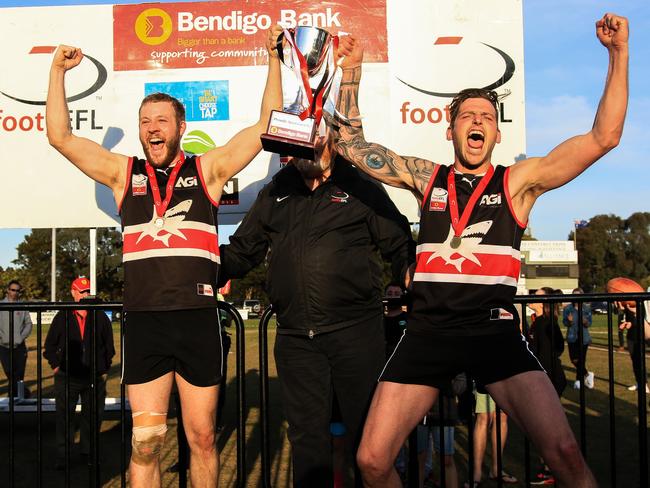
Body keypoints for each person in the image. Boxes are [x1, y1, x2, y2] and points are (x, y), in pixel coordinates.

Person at [333, 13, 628, 487]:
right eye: (467, 116)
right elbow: (350, 144)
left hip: (493, 334)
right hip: (428, 332)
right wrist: (352, 70)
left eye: (486, 117)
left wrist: (618, 54)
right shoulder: (427, 177)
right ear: (449, 130)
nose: (477, 121)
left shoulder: (518, 183)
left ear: (497, 134)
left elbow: (603, 138)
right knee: (371, 460)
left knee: (566, 454)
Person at [45, 26, 282, 487]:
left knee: (203, 439)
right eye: (145, 121)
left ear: (180, 128)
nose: (152, 128)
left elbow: (266, 126)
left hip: (197, 320)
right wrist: (57, 72)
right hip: (146, 321)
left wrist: (275, 59)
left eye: (161, 120)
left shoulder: (207, 170)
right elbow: (61, 137)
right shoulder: (121, 174)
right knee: (146, 442)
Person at [217, 138, 414, 485]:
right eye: (299, 145)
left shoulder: (360, 185)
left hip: (356, 335)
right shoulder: (275, 191)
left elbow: (398, 244)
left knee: (369, 446)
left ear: (334, 143)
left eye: (317, 142)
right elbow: (242, 251)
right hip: (297, 339)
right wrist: (197, 262)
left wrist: (413, 275)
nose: (308, 151)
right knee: (308, 446)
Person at [43, 277, 115, 469]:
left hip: (93, 377)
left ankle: (88, 453)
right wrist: (57, 366)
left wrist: (102, 368)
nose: (85, 295)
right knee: (65, 418)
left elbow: (109, 347)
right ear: (73, 292)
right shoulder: (63, 316)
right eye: (82, 291)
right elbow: (49, 346)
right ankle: (63, 456)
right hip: (67, 377)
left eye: (88, 291)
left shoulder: (100, 316)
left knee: (92, 417)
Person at [466, 391, 516, 488]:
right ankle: (476, 473)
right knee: (483, 417)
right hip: (484, 380)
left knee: (502, 416)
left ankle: (496, 469)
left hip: (504, 380)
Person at [0, 280, 33, 398]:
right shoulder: (1, 305)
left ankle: (16, 399)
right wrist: (2, 337)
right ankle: (22, 395)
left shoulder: (22, 306)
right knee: (10, 373)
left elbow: (29, 324)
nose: (15, 292)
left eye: (18, 290)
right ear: (7, 290)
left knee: (19, 375)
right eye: (13, 290)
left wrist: (20, 338)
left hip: (20, 347)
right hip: (4, 347)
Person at [563, 287, 594, 389]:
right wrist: (569, 321)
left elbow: (589, 323)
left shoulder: (586, 308)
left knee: (582, 359)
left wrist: (585, 322)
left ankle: (578, 381)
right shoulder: (568, 308)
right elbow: (565, 322)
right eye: (573, 295)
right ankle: (587, 374)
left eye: (577, 295)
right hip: (572, 336)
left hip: (584, 337)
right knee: (574, 359)